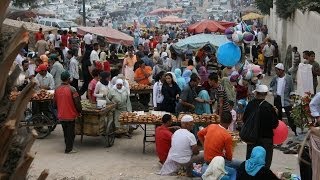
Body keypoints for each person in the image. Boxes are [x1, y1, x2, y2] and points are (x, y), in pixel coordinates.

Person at [243, 85, 278, 168]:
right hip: (266, 140)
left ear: (256, 93)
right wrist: (276, 113)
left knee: (251, 161)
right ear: (266, 94)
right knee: (265, 163)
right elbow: (275, 124)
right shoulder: (269, 107)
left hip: (251, 138)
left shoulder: (250, 105)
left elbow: (244, 119)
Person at [54, 71, 82, 154]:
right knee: (71, 133)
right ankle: (68, 149)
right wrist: (79, 110)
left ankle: (68, 146)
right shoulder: (72, 89)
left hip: (61, 114)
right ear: (69, 79)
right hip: (70, 114)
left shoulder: (57, 89)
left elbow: (54, 103)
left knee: (65, 132)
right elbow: (77, 102)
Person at [270, 63, 296, 135]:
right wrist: (273, 92)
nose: (276, 72)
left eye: (277, 71)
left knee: (290, 115)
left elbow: (292, 89)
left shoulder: (288, 78)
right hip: (277, 99)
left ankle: (295, 130)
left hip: (286, 99)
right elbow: (271, 86)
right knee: (278, 115)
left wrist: (292, 99)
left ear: (281, 70)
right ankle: (279, 131)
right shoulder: (275, 78)